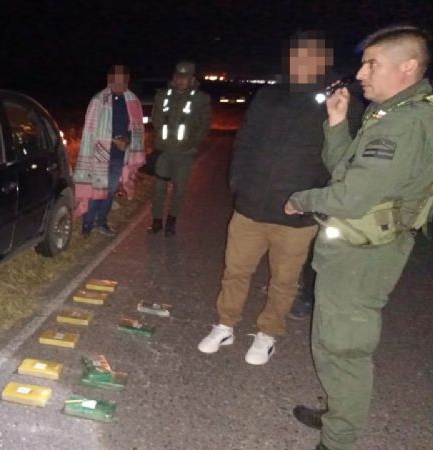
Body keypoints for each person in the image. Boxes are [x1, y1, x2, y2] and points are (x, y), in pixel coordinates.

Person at [285, 26, 433, 450]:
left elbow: (348, 196)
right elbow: (346, 171)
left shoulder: (404, 124)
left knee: (344, 349)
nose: (361, 72)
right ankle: (339, 413)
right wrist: (336, 123)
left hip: (363, 255)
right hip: (357, 248)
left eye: (372, 63)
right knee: (332, 340)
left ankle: (339, 440)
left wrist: (299, 199)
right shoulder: (391, 112)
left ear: (408, 67)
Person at [197, 33, 363, 365]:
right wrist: (237, 182)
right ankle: (225, 324)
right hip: (250, 207)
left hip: (297, 215)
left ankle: (267, 334)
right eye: (298, 56)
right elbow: (245, 140)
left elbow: (343, 160)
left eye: (311, 57)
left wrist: (316, 201)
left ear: (323, 62)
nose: (303, 63)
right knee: (235, 271)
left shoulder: (339, 103)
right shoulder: (268, 96)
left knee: (284, 281)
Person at [74, 64, 145, 237]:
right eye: (116, 81)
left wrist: (127, 142)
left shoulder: (133, 101)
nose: (119, 85)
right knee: (96, 190)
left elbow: (136, 128)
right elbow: (91, 130)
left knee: (110, 191)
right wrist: (114, 141)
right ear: (109, 80)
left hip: (119, 155)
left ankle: (102, 222)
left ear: (128, 81)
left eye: (123, 81)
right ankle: (88, 223)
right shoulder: (98, 101)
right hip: (98, 155)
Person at [148, 61, 211, 236]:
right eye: (178, 77)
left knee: (180, 189)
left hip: (185, 154)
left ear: (192, 79)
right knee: (159, 188)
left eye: (185, 78)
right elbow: (156, 119)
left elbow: (204, 126)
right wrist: (162, 139)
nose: (181, 81)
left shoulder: (201, 99)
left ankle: (172, 221)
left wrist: (192, 143)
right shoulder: (162, 96)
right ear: (173, 78)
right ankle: (157, 221)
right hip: (164, 152)